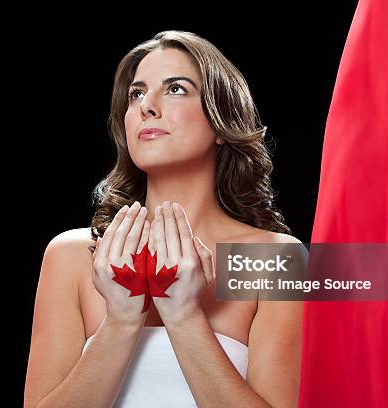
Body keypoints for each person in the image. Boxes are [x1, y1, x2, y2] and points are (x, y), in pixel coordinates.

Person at [24, 30, 302, 408]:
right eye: (136, 93)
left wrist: (185, 317)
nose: (146, 106)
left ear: (221, 122)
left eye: (175, 89)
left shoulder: (274, 260)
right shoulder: (71, 256)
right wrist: (121, 322)